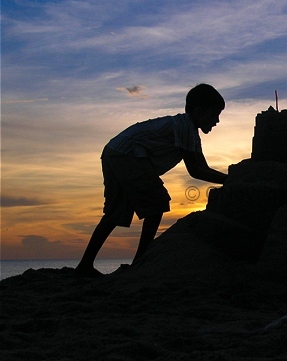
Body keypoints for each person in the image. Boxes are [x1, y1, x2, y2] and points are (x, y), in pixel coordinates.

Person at [75, 83, 228, 277]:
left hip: (114, 151)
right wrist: (231, 180)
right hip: (128, 154)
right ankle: (140, 261)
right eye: (214, 115)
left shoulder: (189, 131)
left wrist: (229, 178)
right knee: (157, 203)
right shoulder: (185, 127)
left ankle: (85, 265)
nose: (217, 121)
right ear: (198, 111)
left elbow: (201, 168)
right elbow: (195, 170)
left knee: (115, 212)